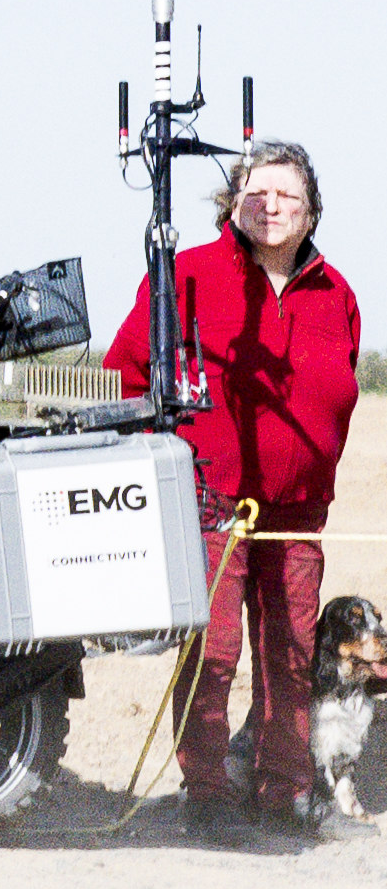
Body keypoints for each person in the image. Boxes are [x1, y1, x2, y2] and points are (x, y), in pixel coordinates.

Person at [107, 140, 352, 843]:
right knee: (210, 654)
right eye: (257, 192)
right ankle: (207, 793)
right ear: (233, 201)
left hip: (296, 515)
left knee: (290, 655)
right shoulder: (184, 275)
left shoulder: (336, 292)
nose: (271, 206)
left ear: (311, 211)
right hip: (210, 507)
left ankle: (284, 792)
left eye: (287, 196)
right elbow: (128, 369)